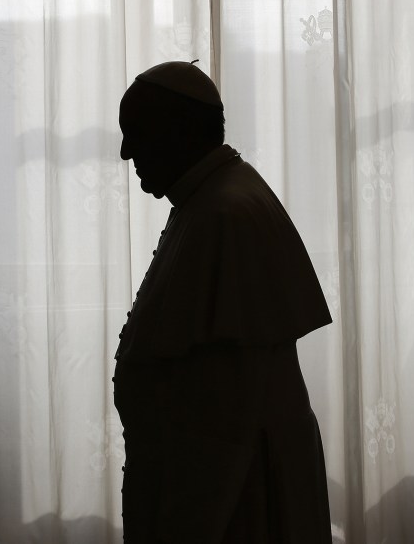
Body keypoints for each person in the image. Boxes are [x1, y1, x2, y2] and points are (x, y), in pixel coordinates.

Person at [112, 61, 333, 543]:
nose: (126, 152)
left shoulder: (225, 216)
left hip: (237, 504)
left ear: (179, 132)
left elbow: (219, 423)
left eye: (135, 134)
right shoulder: (210, 202)